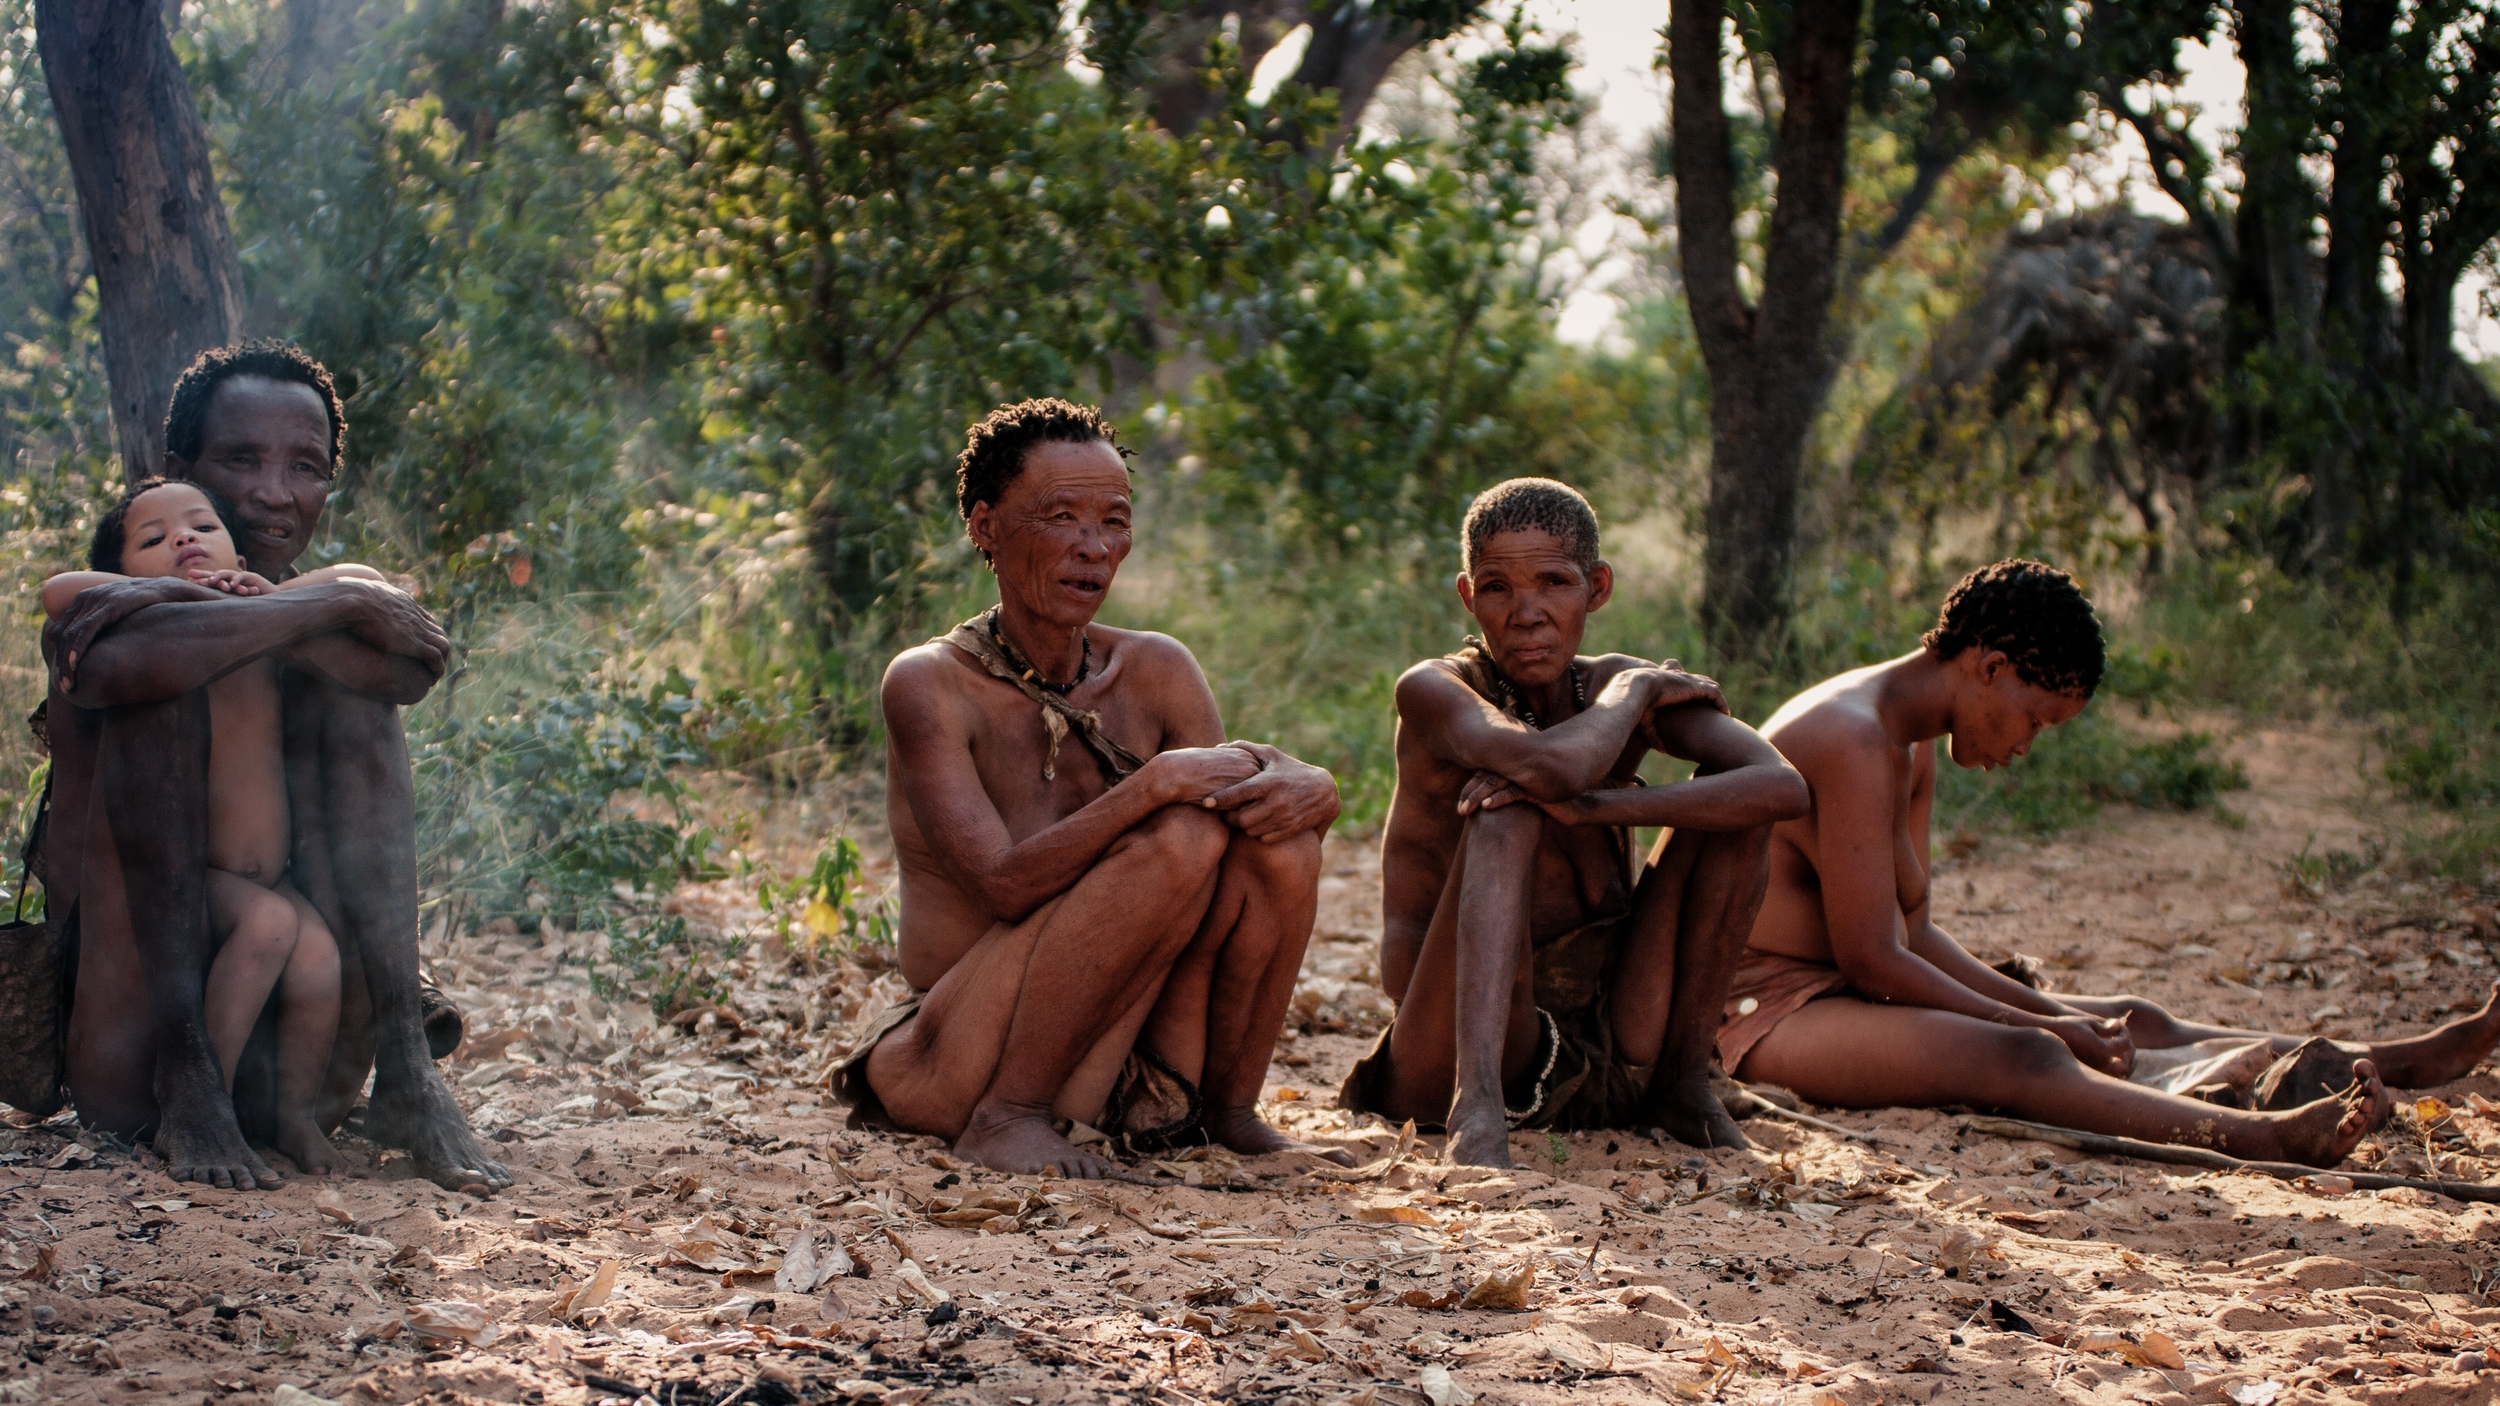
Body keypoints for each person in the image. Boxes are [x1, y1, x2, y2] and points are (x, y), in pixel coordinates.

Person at [1723, 558, 2488, 1166]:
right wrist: (2045, 1025)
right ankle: (2259, 1139)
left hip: (1835, 989)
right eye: (2035, 718)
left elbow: (1914, 933)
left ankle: (2399, 1058)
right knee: (2021, 1053)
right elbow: (1874, 959)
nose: (2025, 746)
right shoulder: (1851, 737)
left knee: (2136, 1022)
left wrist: (2068, 1016)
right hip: (1754, 1015)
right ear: (1990, 668)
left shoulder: (1910, 735)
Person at [838, 398, 1345, 1178]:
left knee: (1276, 846)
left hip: (1121, 1045)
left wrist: (1310, 787)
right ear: (985, 526)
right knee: (1181, 833)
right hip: (963, 1049)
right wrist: (1151, 788)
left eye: (1113, 521)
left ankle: (1230, 1112)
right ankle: (1008, 1119)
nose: (1092, 547)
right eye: (1061, 517)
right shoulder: (930, 682)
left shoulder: (1158, 669)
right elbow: (1003, 887)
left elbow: (1234, 837)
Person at [43, 341, 505, 1191]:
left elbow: (407, 672)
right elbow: (112, 665)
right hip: (134, 1057)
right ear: (180, 469)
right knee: (167, 676)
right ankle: (190, 1077)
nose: (271, 491)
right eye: (241, 460)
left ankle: (404, 1064)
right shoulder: (121, 598)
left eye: (304, 466)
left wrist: (313, 605)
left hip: (304, 1060)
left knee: (355, 696)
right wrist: (334, 601)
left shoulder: (309, 607)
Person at [1341, 478, 1812, 1168]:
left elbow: (1781, 786)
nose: (1527, 612)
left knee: (1731, 808)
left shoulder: (1610, 687)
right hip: (1449, 1040)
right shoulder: (1438, 690)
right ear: (1469, 599)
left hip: (1609, 1029)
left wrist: (1601, 805)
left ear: (1597, 587)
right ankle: (1476, 1112)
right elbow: (1550, 772)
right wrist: (1636, 692)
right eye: (1498, 588)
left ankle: (1684, 1082)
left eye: (1554, 583)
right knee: (1508, 809)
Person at [40, 478, 397, 1175]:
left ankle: (294, 1116)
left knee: (317, 954)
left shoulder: (265, 618)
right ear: (122, 575)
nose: (184, 539)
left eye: (203, 525)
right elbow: (59, 589)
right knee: (268, 929)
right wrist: (172, 595)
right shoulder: (160, 636)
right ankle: (208, 1103)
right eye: (153, 539)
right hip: (191, 877)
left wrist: (272, 594)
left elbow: (364, 579)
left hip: (268, 871)